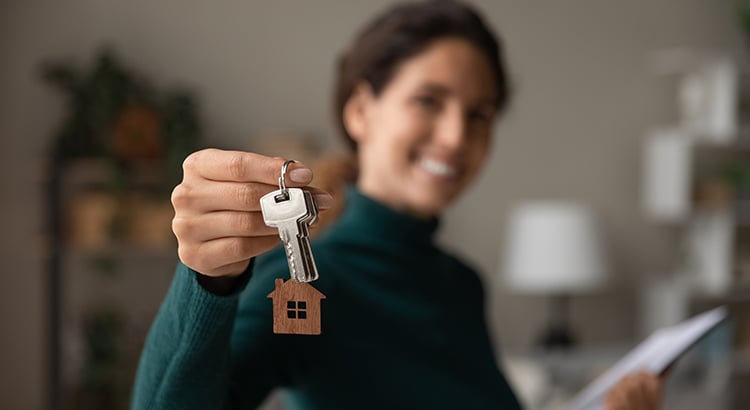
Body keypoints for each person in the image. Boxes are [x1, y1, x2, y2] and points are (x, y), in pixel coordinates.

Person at [132, 1, 664, 409]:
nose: (456, 136)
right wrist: (209, 281)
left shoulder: (459, 283)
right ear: (362, 110)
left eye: (479, 115)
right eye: (429, 101)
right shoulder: (301, 286)